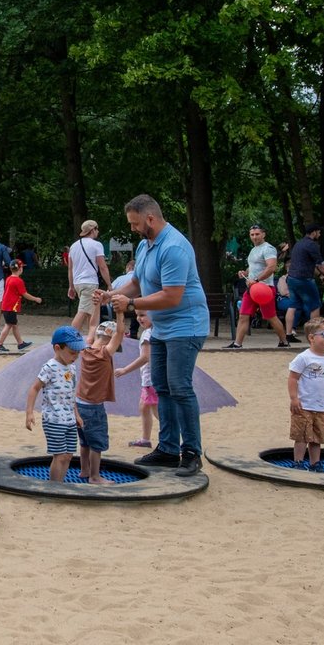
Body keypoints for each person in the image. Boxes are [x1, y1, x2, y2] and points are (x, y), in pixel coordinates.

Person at [104, 194, 209, 477]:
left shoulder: (174, 247)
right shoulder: (145, 245)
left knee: (180, 386)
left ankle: (191, 453)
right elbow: (137, 282)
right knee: (162, 386)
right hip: (161, 327)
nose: (133, 229)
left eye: (135, 223)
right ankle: (167, 448)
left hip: (186, 325)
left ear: (150, 218)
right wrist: (112, 294)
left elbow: (172, 296)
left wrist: (132, 305)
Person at [25, 326, 88, 482]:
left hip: (69, 419)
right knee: (59, 456)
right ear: (58, 348)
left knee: (68, 456)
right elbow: (34, 388)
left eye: (78, 353)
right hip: (53, 419)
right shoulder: (50, 367)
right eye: (72, 353)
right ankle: (54, 485)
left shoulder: (71, 367)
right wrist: (29, 413)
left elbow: (70, 393)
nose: (76, 357)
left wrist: (77, 414)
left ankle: (60, 483)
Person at [75, 312, 125, 484]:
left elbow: (91, 325)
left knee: (84, 442)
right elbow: (119, 333)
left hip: (79, 404)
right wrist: (120, 313)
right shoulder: (105, 353)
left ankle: (84, 471)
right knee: (97, 443)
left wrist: (96, 305)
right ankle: (95, 477)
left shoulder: (85, 348)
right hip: (93, 408)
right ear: (110, 339)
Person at [287, 317, 324, 471]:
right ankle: (298, 462)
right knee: (301, 435)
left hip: (321, 406)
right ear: (311, 338)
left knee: (317, 436)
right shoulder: (303, 357)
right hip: (304, 404)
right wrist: (294, 398)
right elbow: (293, 378)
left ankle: (315, 463)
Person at [227, 224, 289, 349]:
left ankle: (284, 342)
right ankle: (237, 344)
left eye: (257, 234)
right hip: (252, 289)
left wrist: (256, 279)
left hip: (264, 289)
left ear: (263, 234)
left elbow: (271, 267)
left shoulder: (268, 248)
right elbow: (253, 267)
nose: (254, 237)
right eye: (252, 234)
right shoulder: (254, 250)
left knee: (271, 316)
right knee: (243, 315)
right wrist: (245, 273)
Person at [284, 224, 324, 343]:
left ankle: (288, 334)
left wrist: (321, 276)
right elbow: (320, 264)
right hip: (304, 279)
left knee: (292, 305)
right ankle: (314, 335)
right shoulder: (312, 245)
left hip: (291, 278)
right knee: (315, 306)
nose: (320, 234)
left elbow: (308, 264)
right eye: (319, 232)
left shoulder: (298, 244)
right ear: (314, 232)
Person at [115, 310, 158, 447]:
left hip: (151, 379)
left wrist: (125, 370)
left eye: (143, 315)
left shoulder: (148, 334)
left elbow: (145, 357)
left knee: (157, 411)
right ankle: (146, 439)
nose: (139, 318)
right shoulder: (157, 330)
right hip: (151, 378)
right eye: (137, 315)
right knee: (144, 407)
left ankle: (170, 439)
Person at [68, 219, 112, 337]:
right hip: (89, 283)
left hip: (78, 283)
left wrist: (71, 286)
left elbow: (70, 269)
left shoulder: (73, 246)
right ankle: (69, 337)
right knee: (83, 311)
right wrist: (109, 284)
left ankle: (90, 338)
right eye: (97, 229)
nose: (98, 232)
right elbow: (102, 267)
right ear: (93, 229)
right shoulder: (96, 245)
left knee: (91, 312)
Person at [0, 259, 42, 352]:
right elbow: (25, 294)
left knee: (14, 325)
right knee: (8, 325)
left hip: (7, 305)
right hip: (11, 306)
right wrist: (36, 299)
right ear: (20, 269)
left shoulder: (8, 278)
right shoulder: (18, 281)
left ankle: (20, 344)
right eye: (22, 267)